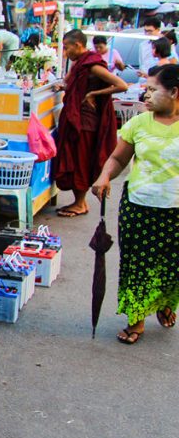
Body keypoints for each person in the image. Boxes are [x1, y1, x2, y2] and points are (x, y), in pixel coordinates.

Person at [92, 65, 179, 344]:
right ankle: (136, 319)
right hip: (139, 207)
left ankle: (166, 303)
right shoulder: (139, 124)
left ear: (175, 93)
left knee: (172, 266)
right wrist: (105, 176)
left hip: (176, 211)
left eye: (154, 90)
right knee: (137, 265)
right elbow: (118, 159)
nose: (146, 94)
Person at [53, 29, 128, 218]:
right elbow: (75, 83)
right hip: (77, 117)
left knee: (81, 160)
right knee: (76, 158)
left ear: (78, 45)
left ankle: (80, 204)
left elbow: (122, 85)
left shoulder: (93, 65)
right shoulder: (80, 63)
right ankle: (80, 202)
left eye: (67, 47)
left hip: (86, 121)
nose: (66, 52)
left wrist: (93, 94)